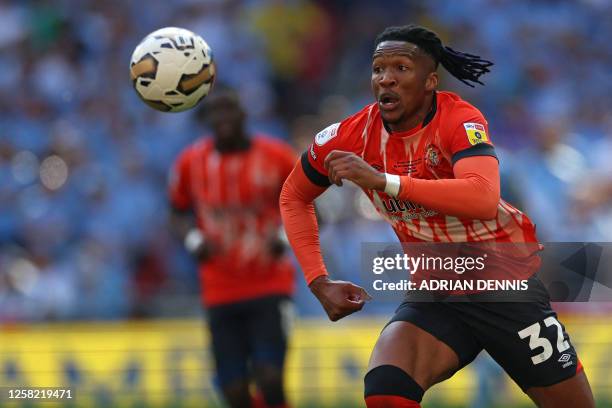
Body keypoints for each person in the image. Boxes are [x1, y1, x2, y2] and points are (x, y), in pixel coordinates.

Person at [279, 25, 595, 408]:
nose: (386, 79)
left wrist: (385, 181)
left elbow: (481, 196)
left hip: (505, 286)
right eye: (378, 69)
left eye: (401, 68)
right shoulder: (349, 136)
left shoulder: (460, 119)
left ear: (430, 81)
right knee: (385, 387)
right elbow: (293, 196)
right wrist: (317, 279)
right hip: (437, 289)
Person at [169, 88, 295, 408]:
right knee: (234, 390)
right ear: (207, 120)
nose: (222, 118)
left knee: (270, 377)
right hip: (220, 288)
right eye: (215, 112)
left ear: (243, 114)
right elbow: (177, 211)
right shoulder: (191, 163)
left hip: (270, 282)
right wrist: (192, 239)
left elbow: (308, 206)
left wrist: (282, 237)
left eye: (229, 110)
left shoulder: (277, 156)